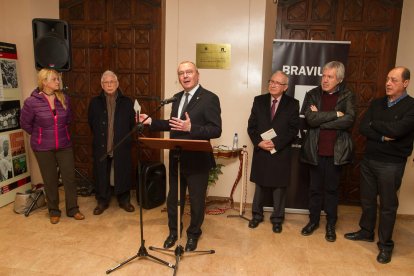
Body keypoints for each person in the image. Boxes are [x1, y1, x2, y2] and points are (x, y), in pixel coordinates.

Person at [139, 61, 222, 251]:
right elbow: (173, 124)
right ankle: (174, 232)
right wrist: (151, 121)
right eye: (181, 73)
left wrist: (191, 127)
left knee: (196, 201)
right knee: (173, 200)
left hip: (198, 161)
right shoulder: (176, 98)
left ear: (197, 75)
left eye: (189, 72)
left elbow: (216, 129)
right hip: (177, 158)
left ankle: (193, 234)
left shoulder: (209, 98)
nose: (185, 76)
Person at [344, 66, 414, 264]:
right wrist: (384, 135)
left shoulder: (411, 106)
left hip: (391, 164)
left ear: (405, 83)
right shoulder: (377, 103)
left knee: (387, 206)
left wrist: (376, 125)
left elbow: (399, 130)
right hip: (369, 160)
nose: (388, 83)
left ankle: (385, 245)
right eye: (387, 79)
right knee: (367, 200)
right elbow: (364, 126)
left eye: (393, 80)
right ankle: (366, 232)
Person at [300, 61, 355, 242]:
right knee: (314, 190)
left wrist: (320, 118)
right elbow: (309, 119)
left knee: (331, 190)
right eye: (323, 75)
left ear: (339, 79)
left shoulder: (347, 95)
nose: (325, 80)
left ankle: (331, 224)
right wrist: (334, 114)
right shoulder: (313, 94)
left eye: (329, 76)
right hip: (315, 151)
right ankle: (313, 221)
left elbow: (349, 120)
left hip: (336, 153)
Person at [20, 68, 85, 224]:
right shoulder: (32, 102)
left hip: (64, 144)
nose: (58, 81)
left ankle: (73, 209)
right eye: (54, 79)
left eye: (57, 79)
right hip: (43, 148)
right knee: (50, 180)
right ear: (44, 82)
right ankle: (54, 210)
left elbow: (69, 119)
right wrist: (40, 135)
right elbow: (25, 124)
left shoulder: (64, 98)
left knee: (69, 178)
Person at [247, 71, 299, 233]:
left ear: (285, 87)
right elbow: (251, 126)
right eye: (271, 81)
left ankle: (277, 218)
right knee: (260, 185)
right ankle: (256, 215)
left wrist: (275, 143)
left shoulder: (292, 103)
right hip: (261, 149)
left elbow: (293, 129)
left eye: (277, 83)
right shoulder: (259, 100)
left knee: (279, 187)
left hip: (280, 151)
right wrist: (259, 143)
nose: (273, 84)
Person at [88, 70, 136, 215]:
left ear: (117, 84)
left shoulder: (127, 102)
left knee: (122, 171)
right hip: (102, 145)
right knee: (102, 172)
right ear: (102, 85)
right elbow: (91, 123)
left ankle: (124, 200)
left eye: (112, 82)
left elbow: (132, 124)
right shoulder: (95, 103)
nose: (109, 85)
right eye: (106, 82)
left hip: (121, 145)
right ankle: (102, 201)